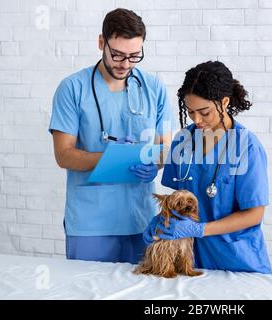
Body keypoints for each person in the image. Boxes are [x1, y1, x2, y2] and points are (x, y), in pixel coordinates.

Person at [49, 8, 173, 263]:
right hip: (91, 222)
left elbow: (166, 148)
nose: (125, 64)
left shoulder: (153, 88)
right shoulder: (72, 88)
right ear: (101, 42)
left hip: (142, 218)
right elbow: (63, 155)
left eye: (134, 56)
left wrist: (155, 162)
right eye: (117, 55)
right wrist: (111, 157)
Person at [144, 61, 272, 274]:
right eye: (190, 111)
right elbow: (179, 198)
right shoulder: (183, 141)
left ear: (224, 102)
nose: (197, 119)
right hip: (191, 261)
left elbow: (254, 214)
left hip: (238, 262)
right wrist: (162, 220)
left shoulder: (247, 147)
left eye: (204, 112)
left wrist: (200, 229)